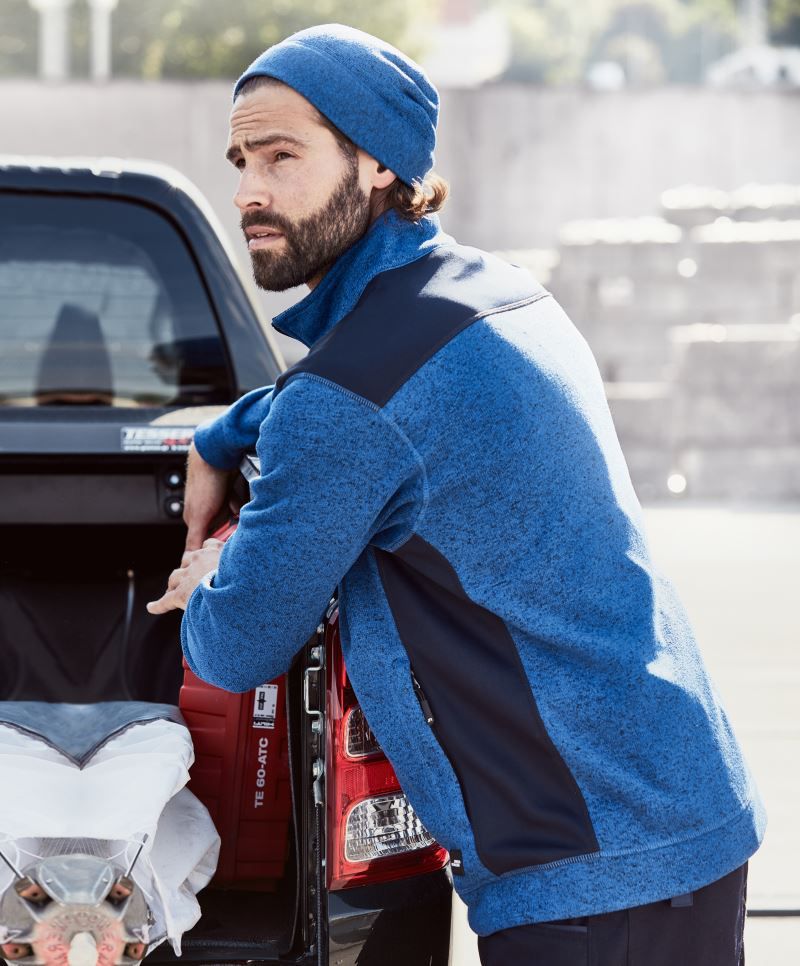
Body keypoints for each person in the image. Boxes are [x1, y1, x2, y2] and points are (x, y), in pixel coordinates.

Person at [146, 24, 764, 964]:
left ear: (379, 164)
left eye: (281, 157)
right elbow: (377, 402)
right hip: (670, 808)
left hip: (591, 868)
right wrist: (231, 429)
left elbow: (236, 647)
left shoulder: (349, 397)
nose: (248, 193)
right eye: (241, 161)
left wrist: (205, 581)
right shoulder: (493, 293)